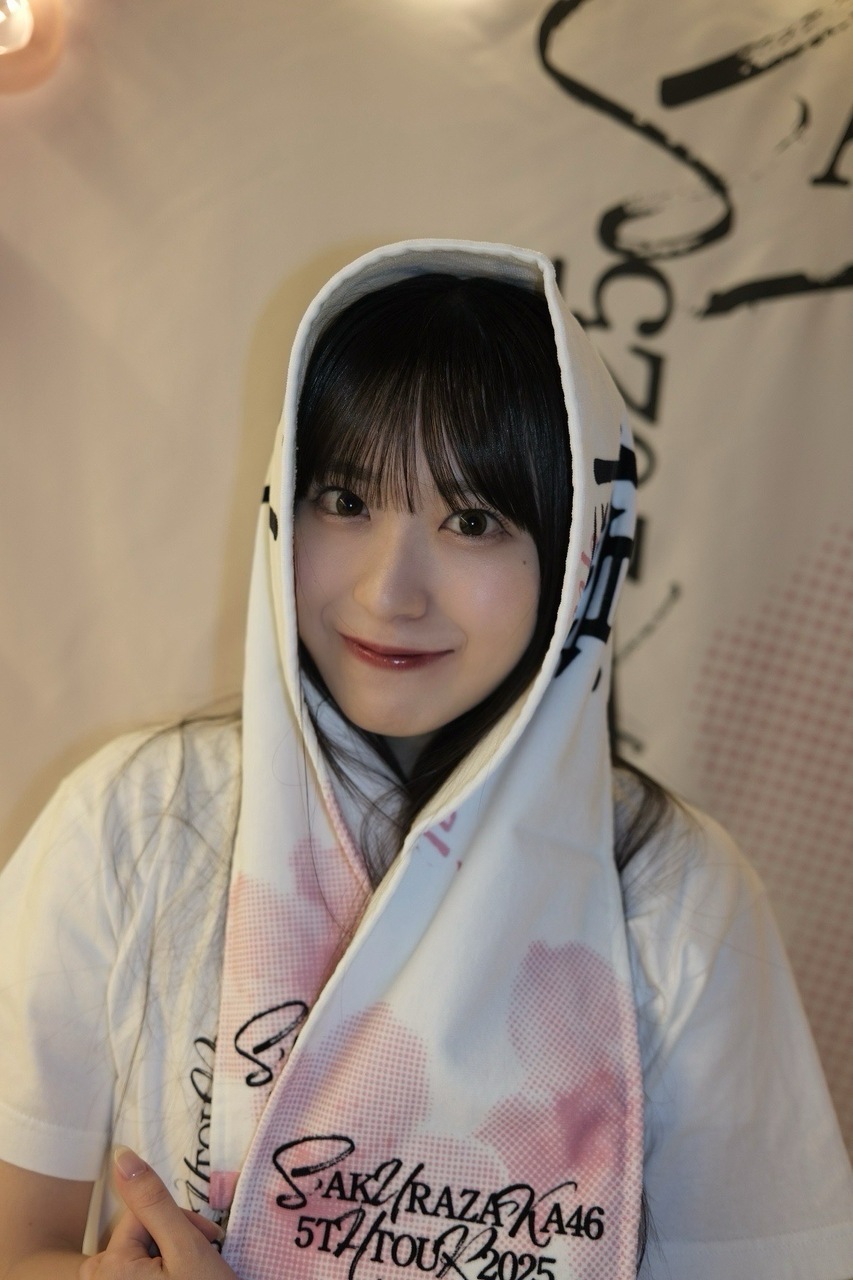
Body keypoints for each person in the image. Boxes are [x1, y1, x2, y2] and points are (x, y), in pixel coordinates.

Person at [0, 240, 851, 1280]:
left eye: (471, 520)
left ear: (579, 547)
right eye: (345, 501)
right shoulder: (133, 820)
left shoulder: (670, 891)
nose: (387, 591)